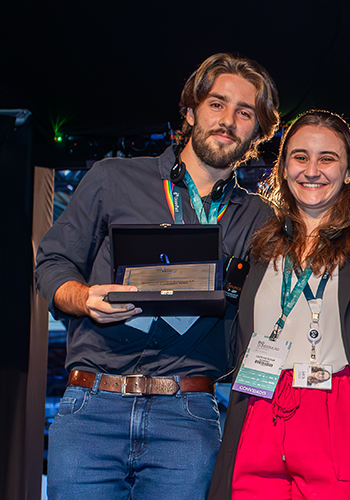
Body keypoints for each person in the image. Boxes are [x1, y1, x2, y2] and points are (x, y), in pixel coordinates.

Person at [35, 53, 279, 500]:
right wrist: (83, 296)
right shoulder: (114, 178)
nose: (228, 120)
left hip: (187, 416)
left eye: (245, 113)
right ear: (190, 111)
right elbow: (52, 262)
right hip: (92, 407)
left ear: (257, 132)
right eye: (216, 104)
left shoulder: (258, 217)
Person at [208, 110, 350, 500]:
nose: (311, 170)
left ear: (349, 171)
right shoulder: (260, 248)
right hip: (260, 402)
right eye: (300, 157)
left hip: (335, 412)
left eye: (327, 158)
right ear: (283, 169)